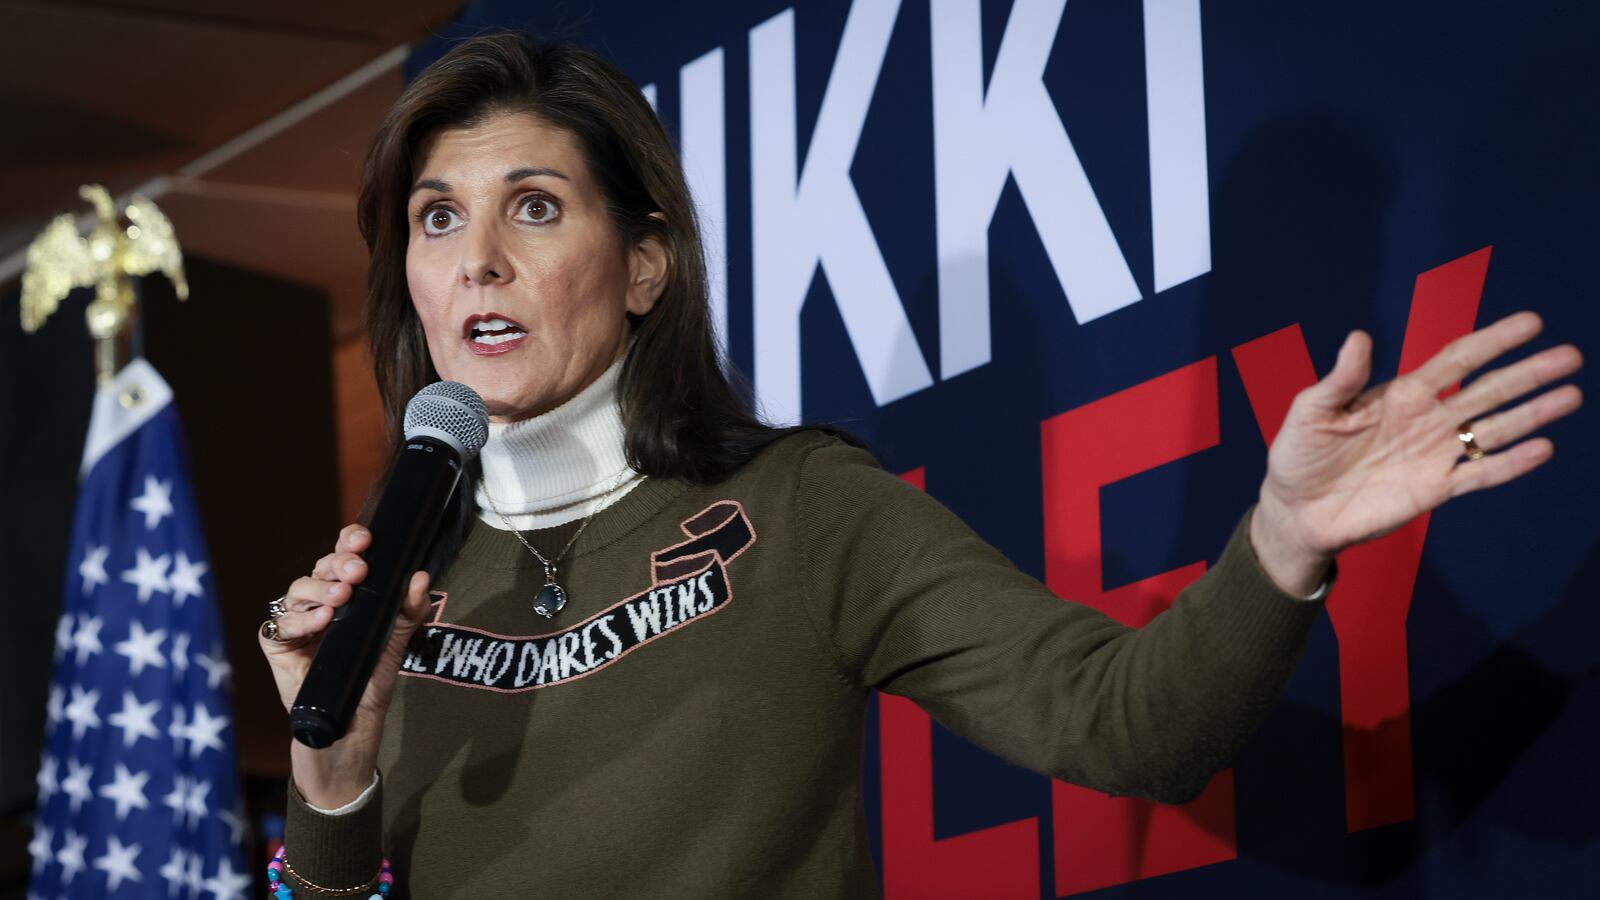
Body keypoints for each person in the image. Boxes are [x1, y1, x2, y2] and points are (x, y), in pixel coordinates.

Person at [256, 31, 1583, 899]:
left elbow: (1131, 726)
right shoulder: (396, 589)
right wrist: (333, 781)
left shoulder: (799, 506)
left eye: (531, 205)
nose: (476, 256)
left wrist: (1285, 536)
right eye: (438, 219)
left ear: (644, 265)